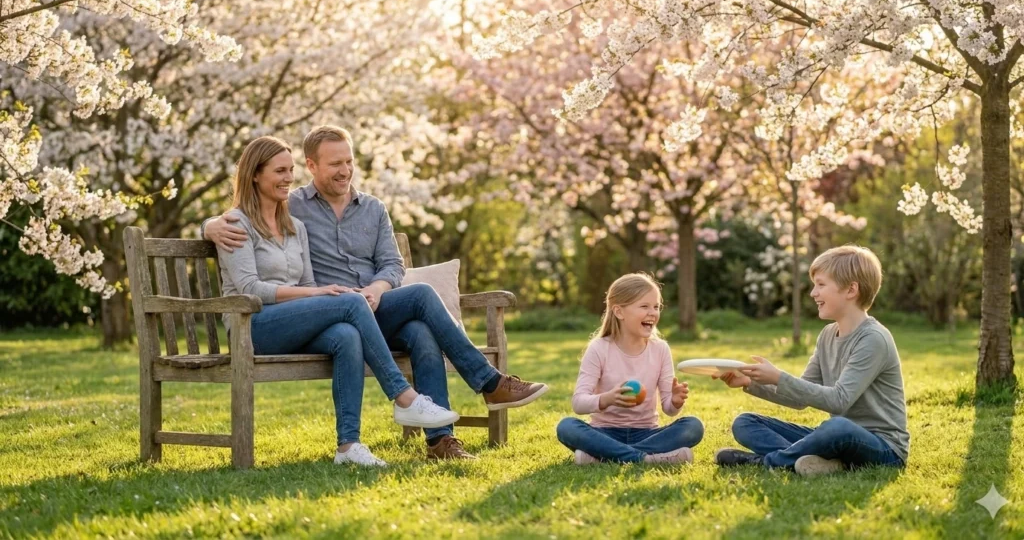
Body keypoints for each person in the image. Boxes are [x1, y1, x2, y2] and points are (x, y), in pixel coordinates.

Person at [204, 125, 548, 460]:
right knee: (405, 303)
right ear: (312, 166)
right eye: (335, 163)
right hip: (310, 312)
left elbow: (391, 266)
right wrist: (207, 226)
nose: (345, 170)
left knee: (418, 325)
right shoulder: (293, 206)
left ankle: (432, 442)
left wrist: (376, 289)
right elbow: (240, 232)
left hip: (367, 307)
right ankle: (457, 389)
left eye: (349, 161)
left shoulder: (343, 214)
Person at [216, 136, 461, 467]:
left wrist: (314, 293)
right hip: (254, 326)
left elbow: (305, 282)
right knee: (351, 302)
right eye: (279, 171)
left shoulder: (293, 225)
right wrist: (318, 294)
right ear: (254, 175)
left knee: (347, 334)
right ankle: (404, 397)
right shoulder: (235, 223)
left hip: (296, 323)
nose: (289, 177)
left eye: (290, 169)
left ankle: (348, 446)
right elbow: (249, 287)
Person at [714, 245, 909, 476]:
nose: (813, 293)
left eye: (821, 284)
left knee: (837, 427)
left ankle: (767, 462)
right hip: (839, 439)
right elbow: (799, 399)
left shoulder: (873, 339)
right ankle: (818, 462)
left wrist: (778, 376)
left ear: (851, 290)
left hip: (883, 448)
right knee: (745, 422)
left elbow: (839, 401)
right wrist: (749, 382)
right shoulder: (827, 335)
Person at [555, 273, 704, 465]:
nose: (653, 312)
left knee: (693, 426)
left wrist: (675, 401)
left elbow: (669, 410)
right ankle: (648, 459)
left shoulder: (660, 349)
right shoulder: (599, 348)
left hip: (648, 434)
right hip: (604, 432)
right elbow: (578, 403)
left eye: (656, 307)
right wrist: (607, 399)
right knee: (567, 427)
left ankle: (604, 457)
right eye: (644, 306)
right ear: (619, 312)